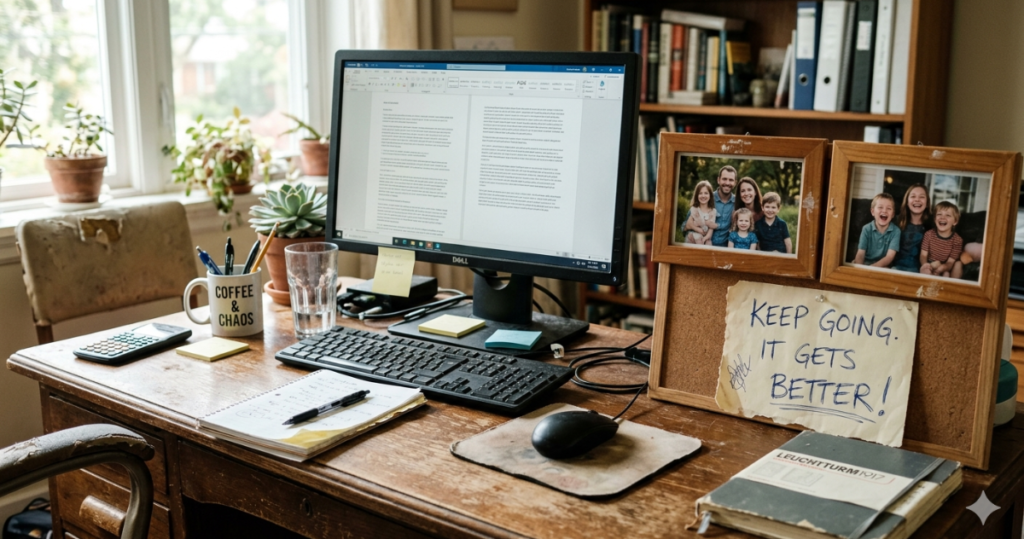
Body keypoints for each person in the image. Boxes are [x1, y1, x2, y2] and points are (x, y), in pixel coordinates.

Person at [853, 193, 900, 267]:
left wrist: (872, 269)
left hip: (883, 266)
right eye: (880, 207)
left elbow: (889, 257)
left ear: (893, 214)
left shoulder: (896, 231)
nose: (884, 211)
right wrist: (860, 269)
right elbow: (860, 253)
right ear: (872, 212)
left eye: (889, 208)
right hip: (865, 264)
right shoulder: (866, 229)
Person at [891, 184, 930, 272]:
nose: (917, 199)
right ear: (907, 202)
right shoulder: (896, 222)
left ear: (927, 203)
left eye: (922, 197)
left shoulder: (930, 227)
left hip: (918, 271)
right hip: (895, 268)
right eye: (913, 196)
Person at [920, 201, 964, 278]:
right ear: (934, 219)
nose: (942, 217)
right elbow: (923, 255)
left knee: (957, 265)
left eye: (948, 215)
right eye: (939, 214)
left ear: (955, 222)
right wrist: (926, 265)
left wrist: (942, 268)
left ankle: (952, 286)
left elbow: (950, 263)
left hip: (946, 266)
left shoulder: (957, 240)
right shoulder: (928, 234)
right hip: (931, 264)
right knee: (925, 270)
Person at [709, 166, 737, 247]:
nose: (727, 183)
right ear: (718, 180)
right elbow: (685, 226)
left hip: (727, 247)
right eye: (724, 179)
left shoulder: (738, 202)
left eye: (731, 180)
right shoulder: (707, 198)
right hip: (705, 244)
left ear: (735, 182)